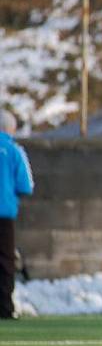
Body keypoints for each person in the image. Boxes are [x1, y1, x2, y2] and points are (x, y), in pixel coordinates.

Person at [0, 110, 34, 320]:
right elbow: (26, 185)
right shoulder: (14, 150)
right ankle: (4, 307)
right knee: (5, 260)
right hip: (5, 213)